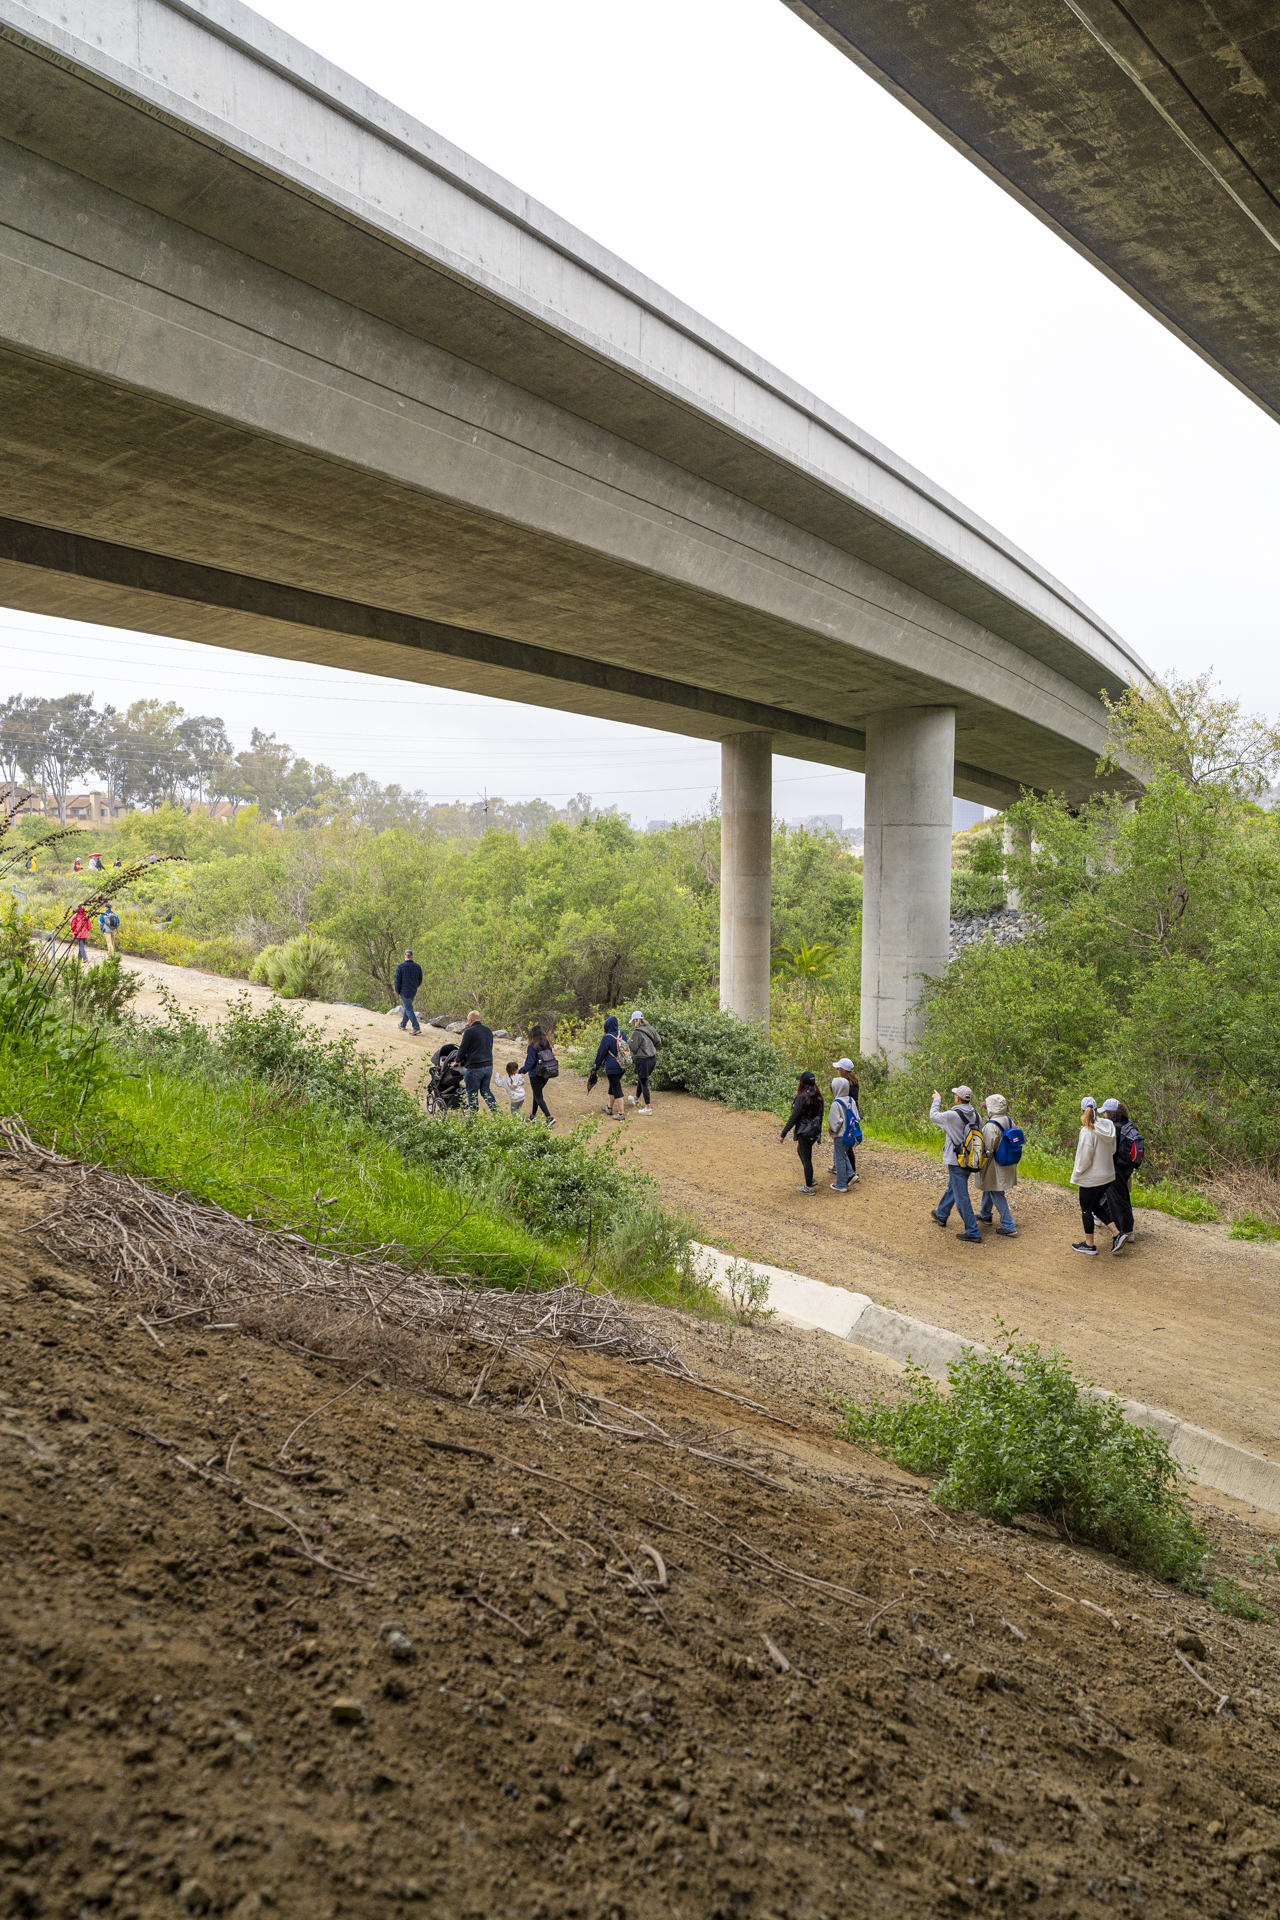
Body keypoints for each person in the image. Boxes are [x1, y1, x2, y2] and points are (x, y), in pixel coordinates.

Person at [929, 1085, 983, 1243]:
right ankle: (942, 1214)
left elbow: (933, 1116)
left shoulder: (952, 1115)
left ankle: (973, 1231)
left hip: (956, 1160)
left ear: (958, 1099)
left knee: (961, 1197)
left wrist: (937, 1100)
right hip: (971, 1160)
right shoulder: (977, 1116)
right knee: (954, 1187)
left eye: (955, 1095)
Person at [1071, 1096, 1117, 1255]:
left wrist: (1077, 1174)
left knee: (1086, 1209)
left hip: (1091, 1177)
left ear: (1082, 1111)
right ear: (1097, 1110)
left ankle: (1089, 1245)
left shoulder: (1086, 1131)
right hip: (1107, 1175)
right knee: (1095, 1205)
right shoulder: (1108, 1126)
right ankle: (1117, 1233)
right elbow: (1113, 1150)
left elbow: (1085, 1158)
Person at [975, 1092, 1018, 1236]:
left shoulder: (991, 1126)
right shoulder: (1009, 1120)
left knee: (996, 1191)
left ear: (992, 1108)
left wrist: (979, 1165)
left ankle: (1008, 1225)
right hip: (1007, 1162)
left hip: (994, 1164)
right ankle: (985, 1214)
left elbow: (986, 1148)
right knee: (991, 1186)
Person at [1101, 1098, 1141, 1250]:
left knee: (1118, 1197)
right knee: (1121, 1194)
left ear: (1111, 1113)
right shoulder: (1129, 1124)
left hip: (1116, 1166)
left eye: (1105, 1112)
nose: (1104, 1114)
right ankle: (1122, 1226)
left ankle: (1125, 1230)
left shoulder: (1114, 1128)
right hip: (1127, 1166)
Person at [781, 1071, 824, 1194]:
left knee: (806, 1158)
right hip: (814, 1130)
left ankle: (809, 1187)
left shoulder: (801, 1097)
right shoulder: (818, 1096)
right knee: (801, 1151)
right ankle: (810, 1178)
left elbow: (794, 1117)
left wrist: (783, 1133)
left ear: (802, 1083)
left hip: (804, 1131)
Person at [456, 1009, 497, 1111]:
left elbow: (463, 1048)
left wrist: (458, 1060)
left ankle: (473, 1119)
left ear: (470, 1020)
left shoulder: (469, 1032)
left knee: (472, 1093)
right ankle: (496, 1112)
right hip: (488, 1066)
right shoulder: (488, 1031)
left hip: (475, 1068)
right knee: (486, 1090)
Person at [591, 1015, 628, 1119]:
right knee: (613, 1085)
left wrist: (595, 1067)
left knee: (616, 1088)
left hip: (612, 1067)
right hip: (622, 1065)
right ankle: (609, 1107)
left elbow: (600, 1054)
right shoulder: (622, 1034)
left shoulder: (606, 1037)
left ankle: (621, 1114)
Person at [827, 1075, 861, 1193]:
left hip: (840, 1135)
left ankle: (841, 1184)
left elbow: (835, 1123)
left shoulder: (836, 1103)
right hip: (851, 1135)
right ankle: (851, 1174)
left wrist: (832, 1130)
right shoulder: (851, 1100)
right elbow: (857, 1117)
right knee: (843, 1154)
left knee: (839, 1158)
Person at [521, 1024, 558, 1125]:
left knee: (538, 1096)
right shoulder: (547, 1044)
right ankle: (533, 1116)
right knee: (536, 1094)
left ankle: (549, 1118)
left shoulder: (532, 1046)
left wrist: (521, 1070)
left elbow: (530, 1062)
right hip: (546, 1074)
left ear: (532, 1035)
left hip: (535, 1074)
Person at [627, 1009, 660, 1114]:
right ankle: (636, 1099)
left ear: (636, 1020)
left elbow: (633, 1048)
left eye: (633, 1021)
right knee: (642, 1078)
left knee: (644, 1081)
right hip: (652, 1058)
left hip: (642, 1059)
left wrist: (629, 1041)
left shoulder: (636, 1032)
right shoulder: (651, 1028)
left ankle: (648, 1108)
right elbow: (658, 1041)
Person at [393, 948, 423, 1034]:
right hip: (413, 991)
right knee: (407, 1007)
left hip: (404, 991)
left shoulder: (400, 966)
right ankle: (402, 1025)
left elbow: (397, 981)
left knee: (409, 1008)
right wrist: (415, 986)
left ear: (404, 956)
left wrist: (397, 991)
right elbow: (420, 979)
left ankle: (416, 1027)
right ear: (412, 956)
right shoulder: (417, 967)